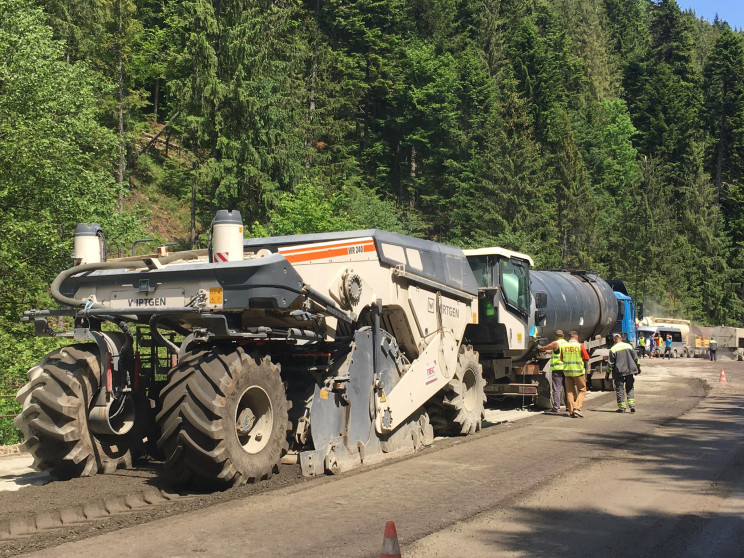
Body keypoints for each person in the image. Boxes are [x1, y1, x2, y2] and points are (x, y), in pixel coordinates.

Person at [608, 333, 640, 413]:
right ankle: (632, 405)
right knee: (630, 387)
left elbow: (610, 364)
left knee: (620, 389)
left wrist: (607, 373)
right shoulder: (629, 346)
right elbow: (636, 358)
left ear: (614, 339)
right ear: (621, 338)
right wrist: (638, 368)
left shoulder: (613, 349)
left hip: (619, 372)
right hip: (630, 371)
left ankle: (622, 408)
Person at [560, 330, 590, 418]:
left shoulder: (564, 346)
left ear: (569, 337)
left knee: (569, 392)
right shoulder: (579, 346)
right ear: (576, 337)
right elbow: (586, 358)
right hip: (578, 372)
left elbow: (561, 358)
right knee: (582, 390)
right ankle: (577, 408)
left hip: (567, 372)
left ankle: (571, 412)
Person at [539, 330, 567, 413]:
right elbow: (557, 352)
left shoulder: (556, 343)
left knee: (557, 388)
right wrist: (549, 352)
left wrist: (539, 348)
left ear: (556, 336)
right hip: (565, 368)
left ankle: (556, 407)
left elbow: (546, 347)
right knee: (566, 388)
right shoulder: (566, 343)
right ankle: (568, 406)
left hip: (557, 369)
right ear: (563, 335)